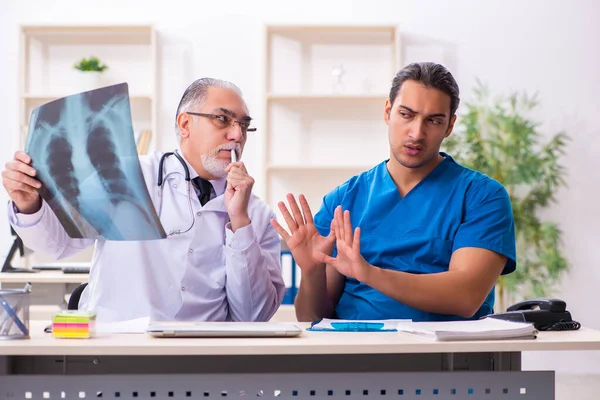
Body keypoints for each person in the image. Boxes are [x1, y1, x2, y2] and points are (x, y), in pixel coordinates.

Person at [2, 78, 285, 322]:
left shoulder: (256, 214)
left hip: (206, 361)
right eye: (223, 119)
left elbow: (253, 318)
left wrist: (239, 223)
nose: (236, 135)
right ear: (185, 124)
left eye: (243, 125)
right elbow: (57, 245)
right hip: (121, 351)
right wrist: (28, 205)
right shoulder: (125, 175)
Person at [271, 62, 516, 322]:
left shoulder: (482, 197)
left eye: (433, 120)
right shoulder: (344, 200)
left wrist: (368, 273)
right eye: (407, 114)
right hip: (354, 353)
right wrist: (311, 272)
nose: (417, 133)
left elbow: (465, 297)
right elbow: (312, 318)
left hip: (446, 357)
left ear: (450, 126)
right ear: (388, 112)